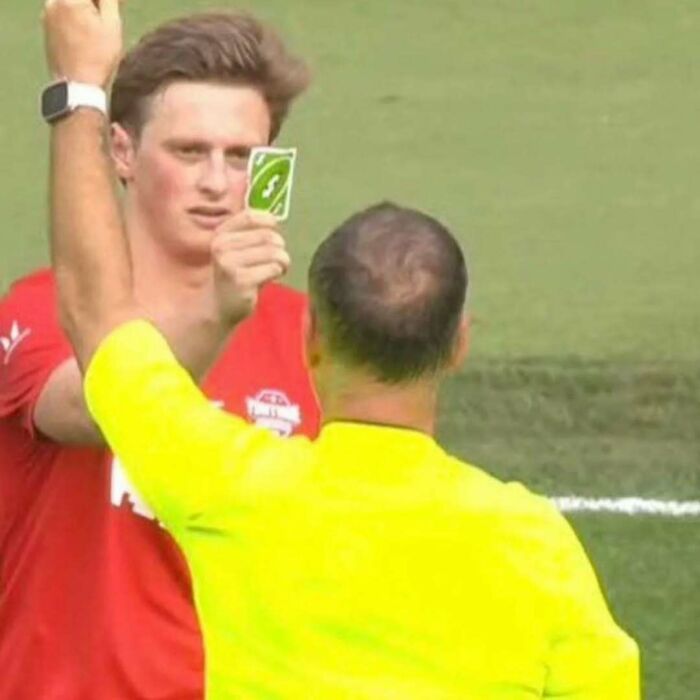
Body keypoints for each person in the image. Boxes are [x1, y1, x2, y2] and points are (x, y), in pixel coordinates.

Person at [42, 0, 640, 698]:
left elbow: (98, 319)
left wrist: (79, 89)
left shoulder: (231, 487)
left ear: (312, 338)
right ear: (459, 344)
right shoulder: (538, 546)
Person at [0, 8, 319, 700]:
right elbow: (95, 407)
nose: (216, 182)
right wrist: (216, 316)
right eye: (189, 152)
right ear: (121, 153)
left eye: (241, 157)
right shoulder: (38, 311)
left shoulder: (311, 336)